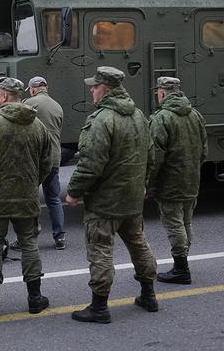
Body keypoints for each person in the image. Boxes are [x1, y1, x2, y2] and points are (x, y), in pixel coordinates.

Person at [65, 66, 158, 323]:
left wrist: (74, 192)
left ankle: (99, 307)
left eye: (94, 87)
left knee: (100, 250)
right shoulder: (139, 116)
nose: (92, 91)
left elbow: (90, 163)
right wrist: (142, 184)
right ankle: (149, 295)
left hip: (105, 202)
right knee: (139, 244)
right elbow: (150, 157)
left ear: (105, 88)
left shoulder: (103, 120)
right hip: (131, 200)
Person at [0, 77, 51, 318]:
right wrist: (31, 183)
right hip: (26, 197)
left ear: (4, 96)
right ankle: (35, 297)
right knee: (29, 244)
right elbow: (46, 162)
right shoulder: (37, 126)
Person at [148, 76, 208, 285]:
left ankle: (181, 269)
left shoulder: (162, 118)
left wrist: (148, 183)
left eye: (158, 92)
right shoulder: (196, 115)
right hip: (192, 180)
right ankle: (182, 262)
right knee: (186, 222)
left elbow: (155, 157)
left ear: (163, 93)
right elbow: (204, 151)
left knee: (174, 225)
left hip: (170, 183)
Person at [24, 76, 66, 250]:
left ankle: (28, 237)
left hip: (35, 158)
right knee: (54, 199)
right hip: (54, 157)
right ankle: (60, 237)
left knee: (29, 198)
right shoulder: (58, 106)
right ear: (46, 88)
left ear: (33, 89)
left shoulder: (29, 103)